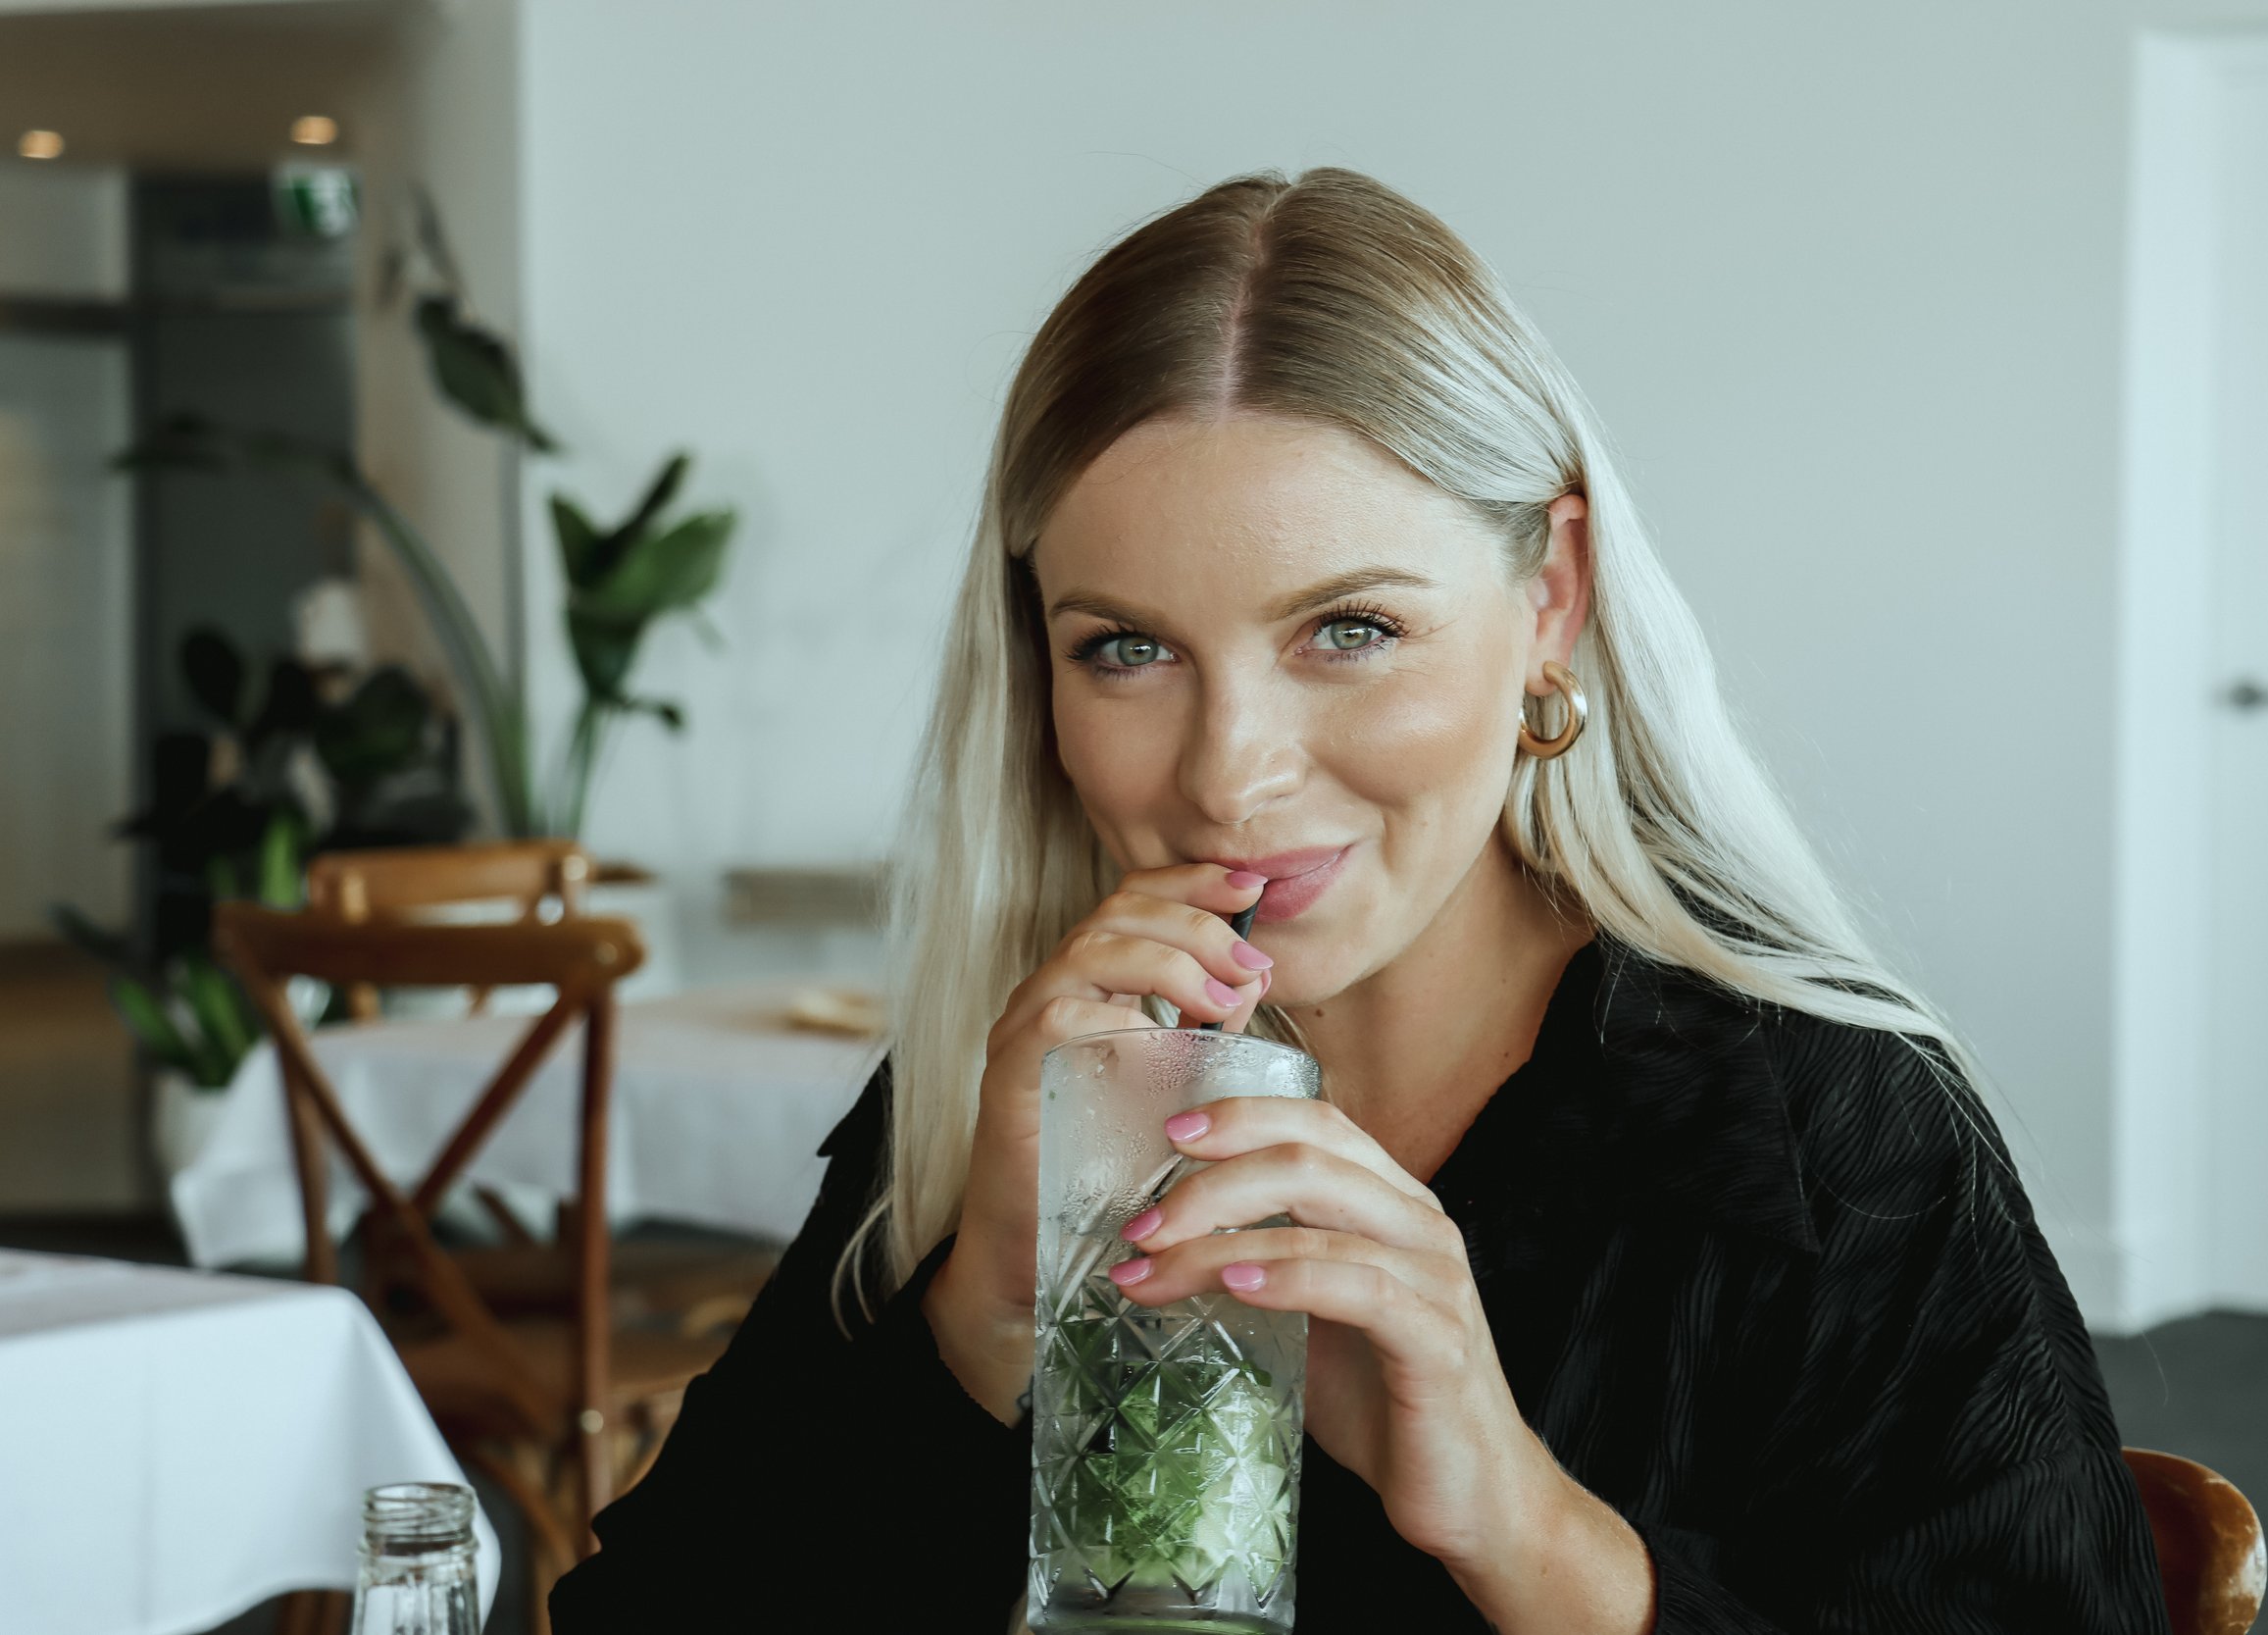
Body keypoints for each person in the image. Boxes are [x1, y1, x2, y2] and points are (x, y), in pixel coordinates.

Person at [550, 168, 2168, 1633]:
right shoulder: (1021, 1095)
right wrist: (974, 1320)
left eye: (1349, 630)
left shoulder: (1828, 1142)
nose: (1228, 777)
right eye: (1128, 648)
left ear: (1552, 597)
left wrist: (1530, 1529)